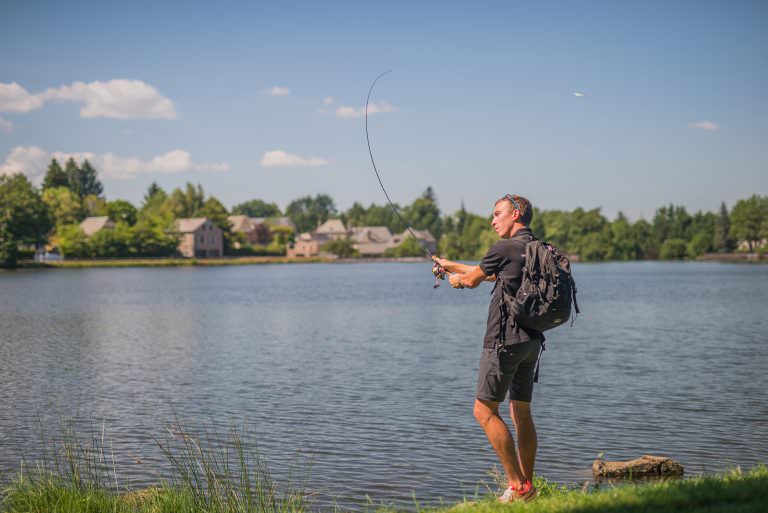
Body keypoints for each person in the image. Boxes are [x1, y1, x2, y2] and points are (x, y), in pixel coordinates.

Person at [432, 194, 542, 503]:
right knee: (521, 411)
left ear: (516, 214)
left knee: (483, 411)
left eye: (497, 214)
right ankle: (525, 485)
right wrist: (449, 264)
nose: (492, 221)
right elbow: (492, 272)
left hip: (503, 341)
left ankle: (519, 486)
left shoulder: (504, 247)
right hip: (531, 341)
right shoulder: (534, 248)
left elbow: (473, 280)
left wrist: (455, 280)